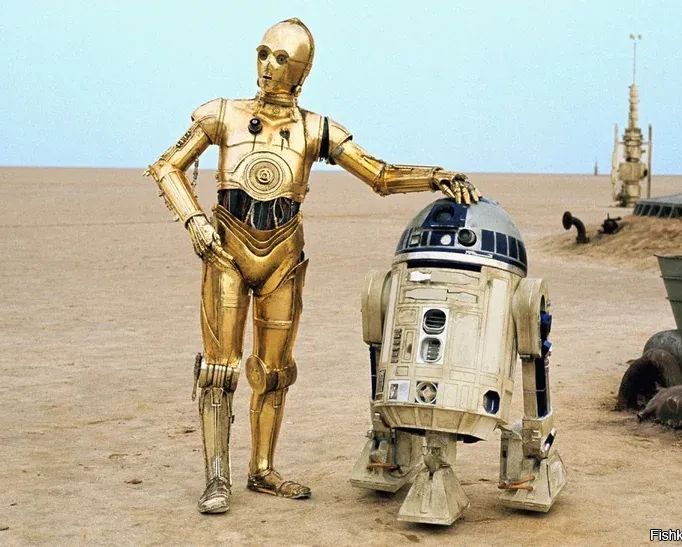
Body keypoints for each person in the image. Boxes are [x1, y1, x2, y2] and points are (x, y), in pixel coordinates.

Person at [145, 18, 480, 514]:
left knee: (274, 371)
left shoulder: (315, 129)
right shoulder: (223, 115)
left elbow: (378, 175)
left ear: (301, 71)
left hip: (283, 255)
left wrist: (434, 176)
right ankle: (217, 477)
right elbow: (167, 165)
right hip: (226, 251)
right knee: (219, 370)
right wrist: (195, 222)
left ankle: (262, 468)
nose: (268, 66)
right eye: (263, 53)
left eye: (281, 59)